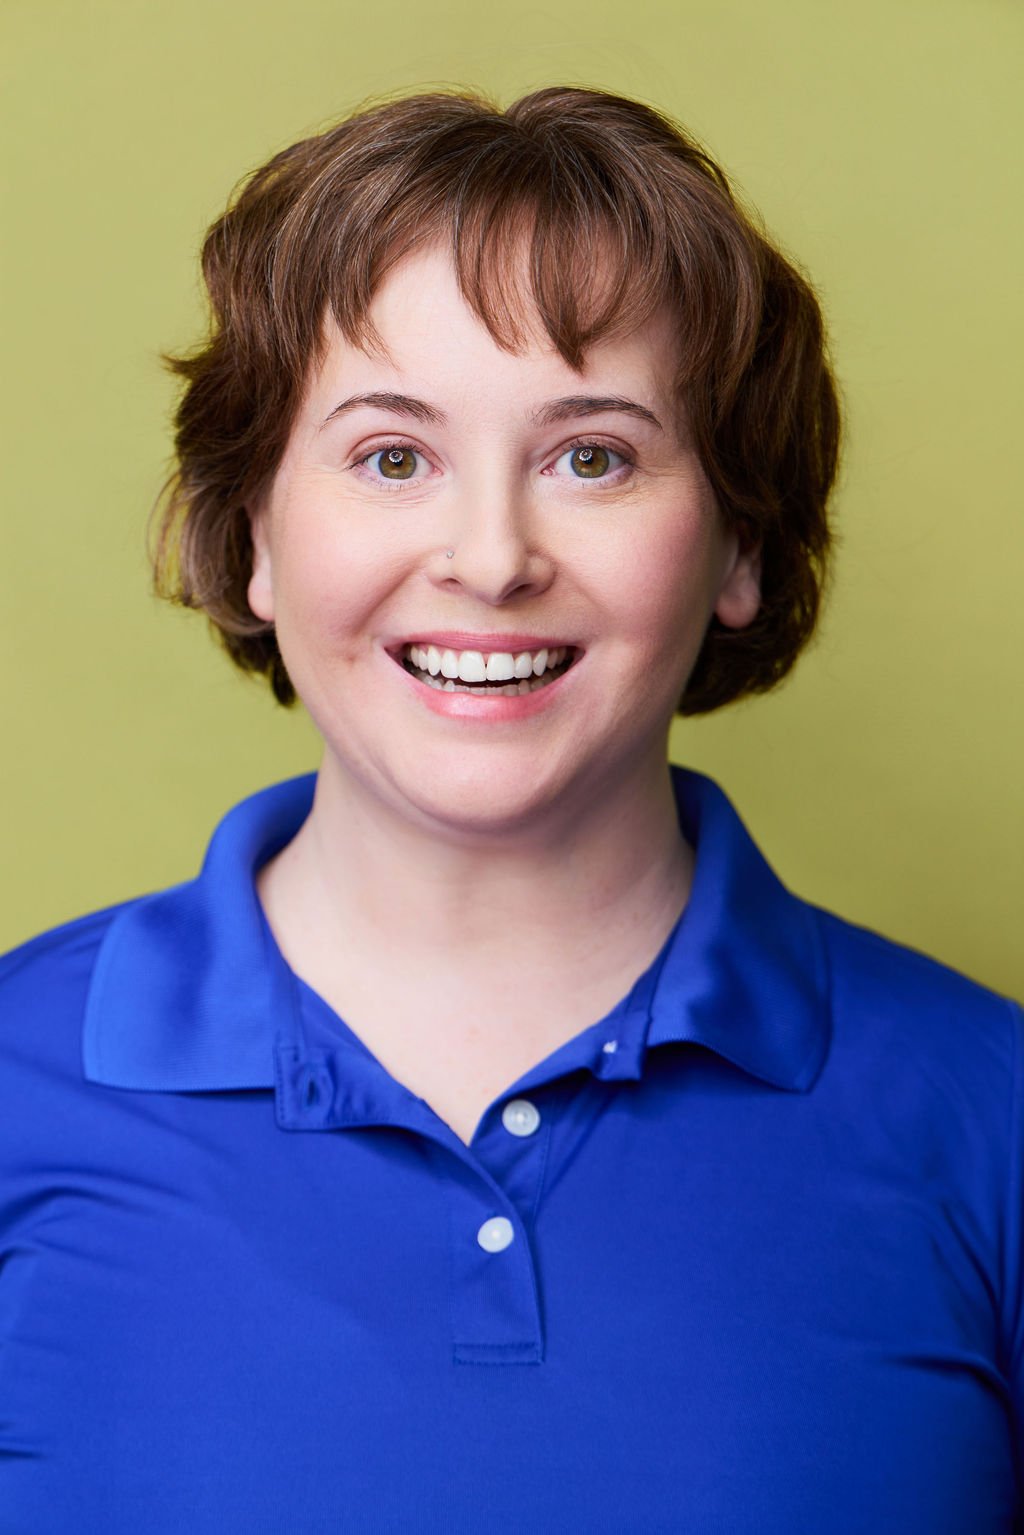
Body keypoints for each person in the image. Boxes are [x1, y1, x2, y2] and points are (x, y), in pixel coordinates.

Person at [0, 85, 1020, 1533]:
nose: (490, 557)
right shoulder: (14, 1091)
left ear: (737, 541)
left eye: (591, 455)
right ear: (253, 541)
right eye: (392, 456)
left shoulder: (991, 1117)